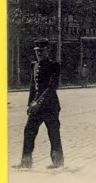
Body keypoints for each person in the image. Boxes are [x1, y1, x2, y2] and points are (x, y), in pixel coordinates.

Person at [13, 39, 64, 169]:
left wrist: (38, 102)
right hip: (36, 107)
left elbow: (51, 87)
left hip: (50, 106)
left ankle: (57, 162)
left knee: (53, 133)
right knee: (29, 131)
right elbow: (32, 87)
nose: (39, 54)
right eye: (37, 51)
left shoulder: (54, 66)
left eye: (41, 51)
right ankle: (26, 161)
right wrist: (30, 104)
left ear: (47, 51)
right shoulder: (34, 65)